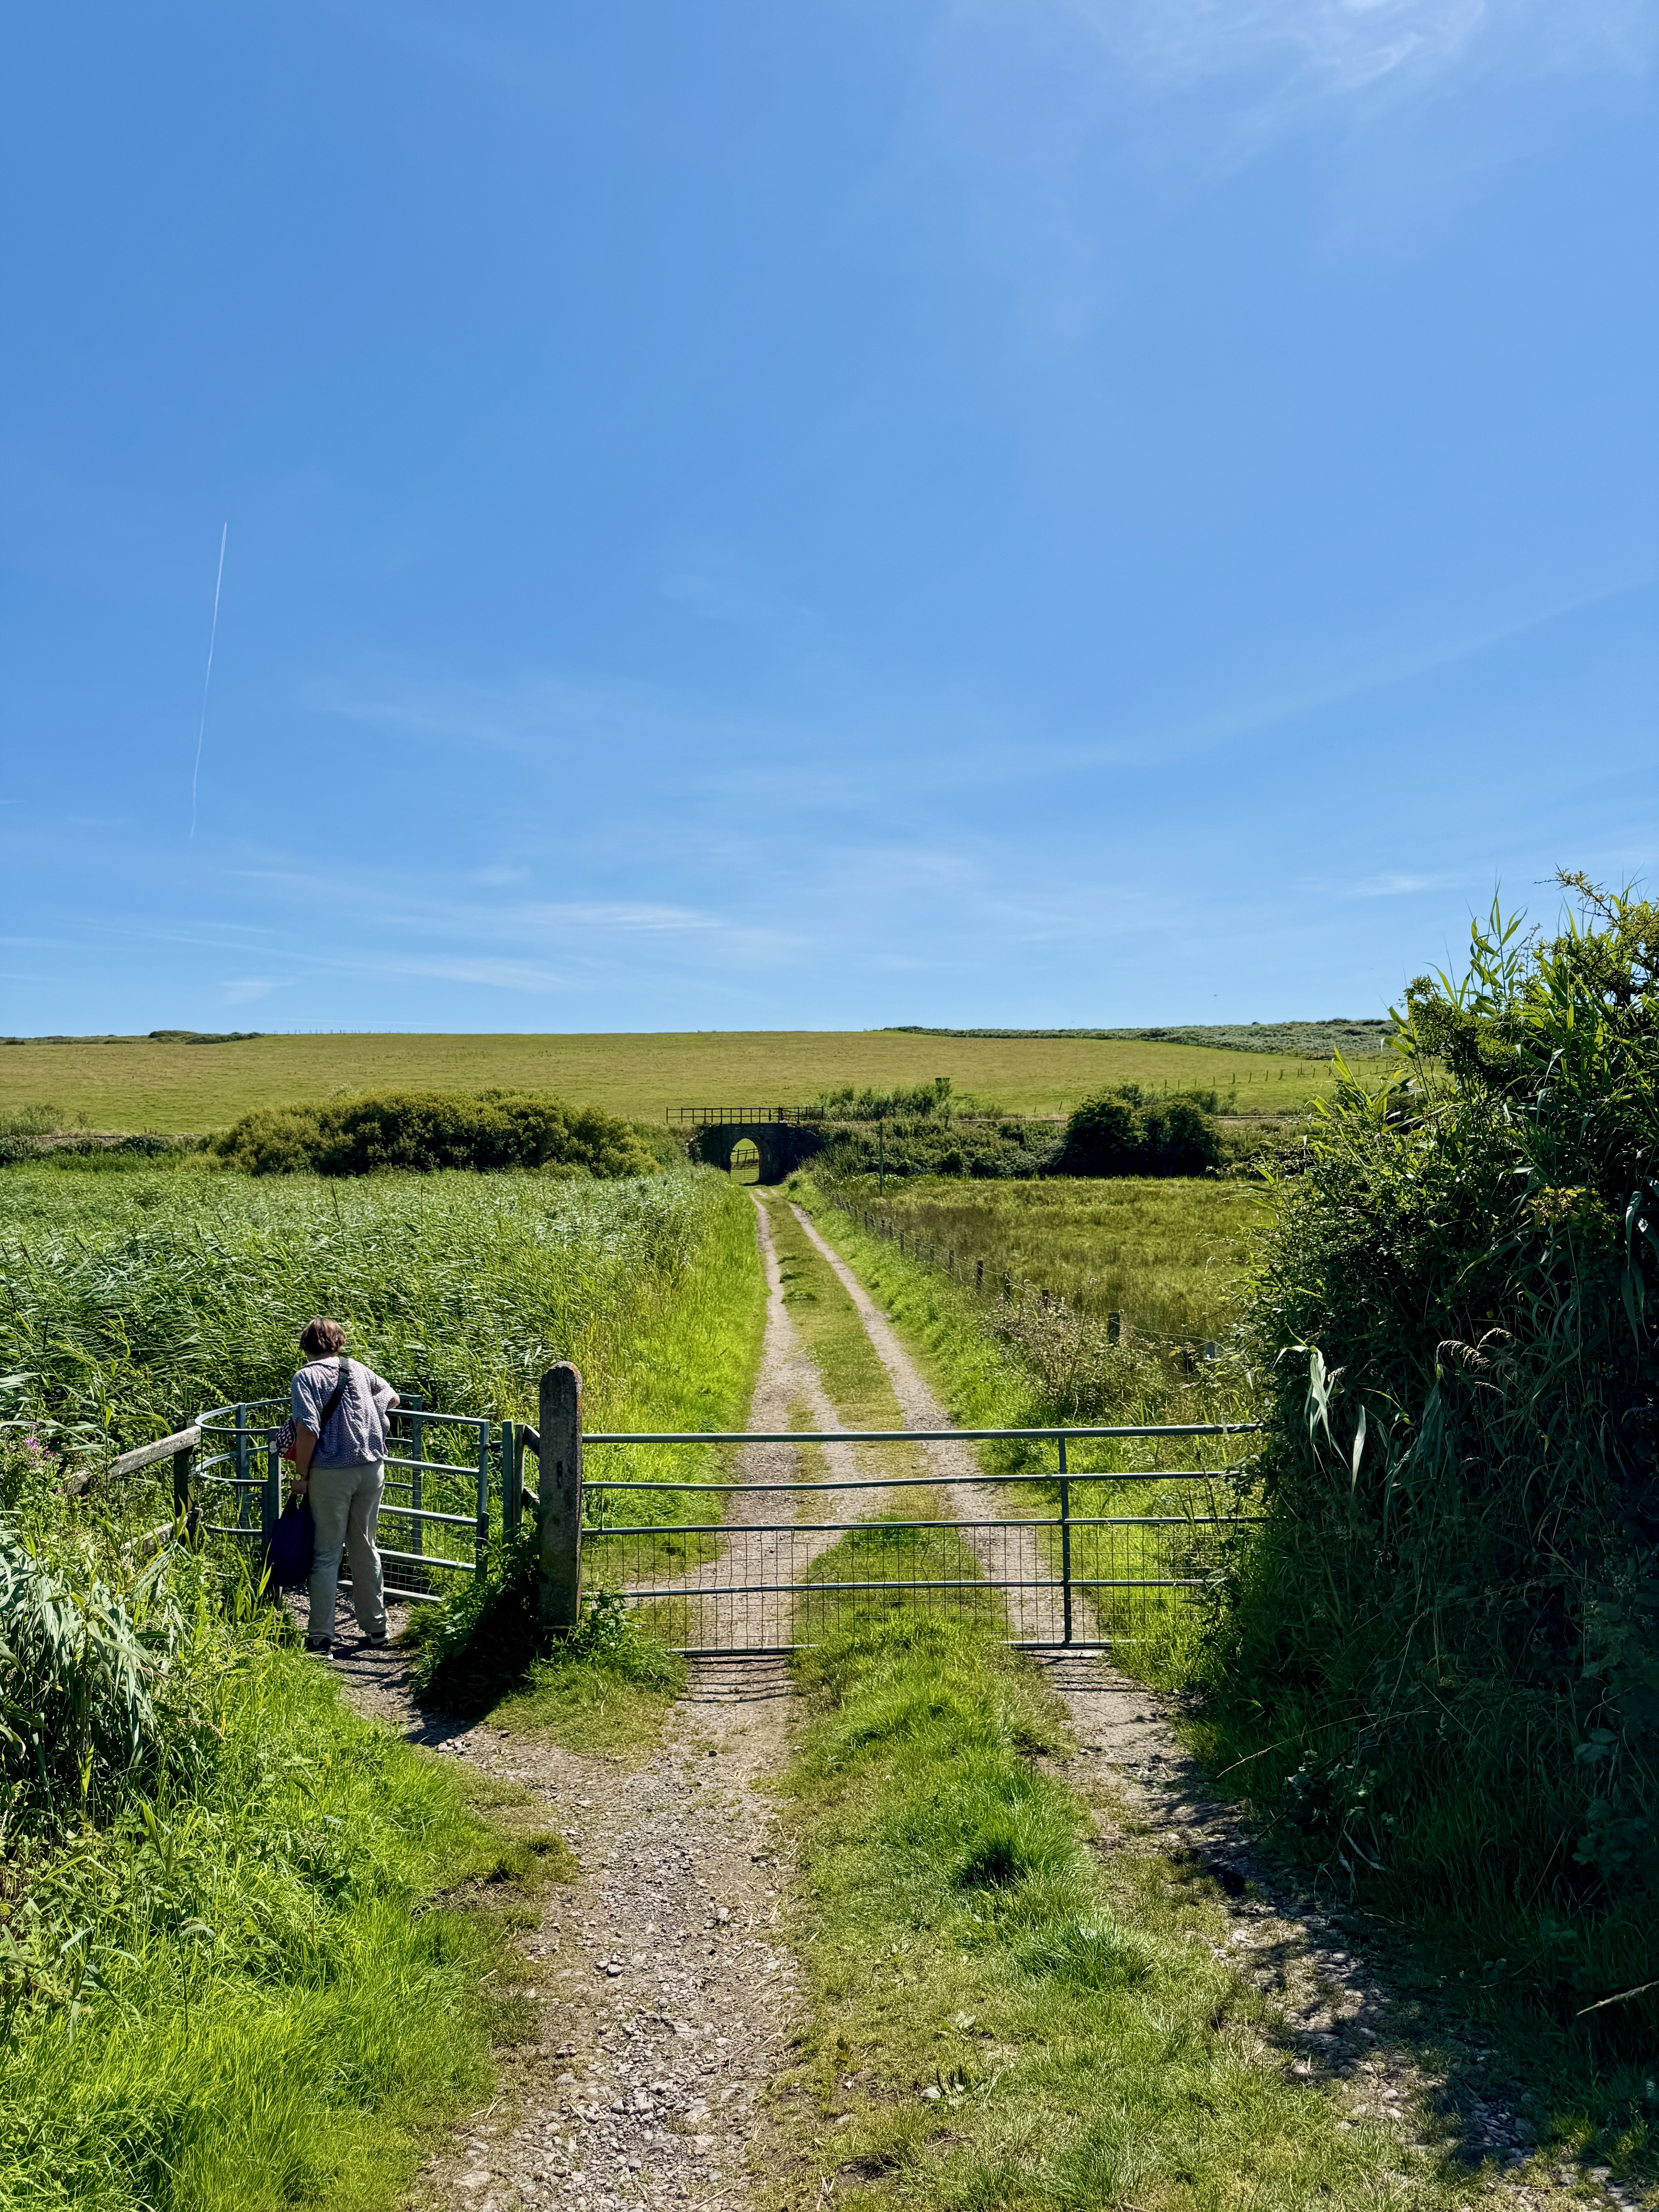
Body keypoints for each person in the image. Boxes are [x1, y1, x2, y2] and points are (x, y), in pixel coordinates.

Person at [289, 1316, 400, 1654]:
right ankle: (377, 1629)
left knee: (327, 1553)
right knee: (365, 1546)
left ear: (305, 1346)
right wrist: (371, 1423)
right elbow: (392, 1399)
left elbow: (308, 1429)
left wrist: (302, 1476)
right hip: (371, 1467)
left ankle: (321, 1636)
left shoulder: (305, 1377)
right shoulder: (357, 1369)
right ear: (338, 1342)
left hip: (331, 1472)